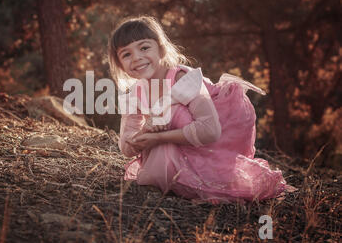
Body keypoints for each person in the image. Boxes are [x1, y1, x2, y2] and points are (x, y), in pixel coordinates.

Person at [108, 15, 294, 204]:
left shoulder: (182, 78)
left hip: (213, 142)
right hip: (178, 142)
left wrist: (158, 136)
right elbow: (126, 147)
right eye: (126, 54)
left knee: (168, 118)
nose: (137, 58)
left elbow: (211, 130)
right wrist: (145, 132)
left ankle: (192, 176)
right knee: (159, 143)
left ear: (161, 49)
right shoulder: (134, 94)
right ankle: (173, 172)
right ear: (120, 65)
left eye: (144, 48)